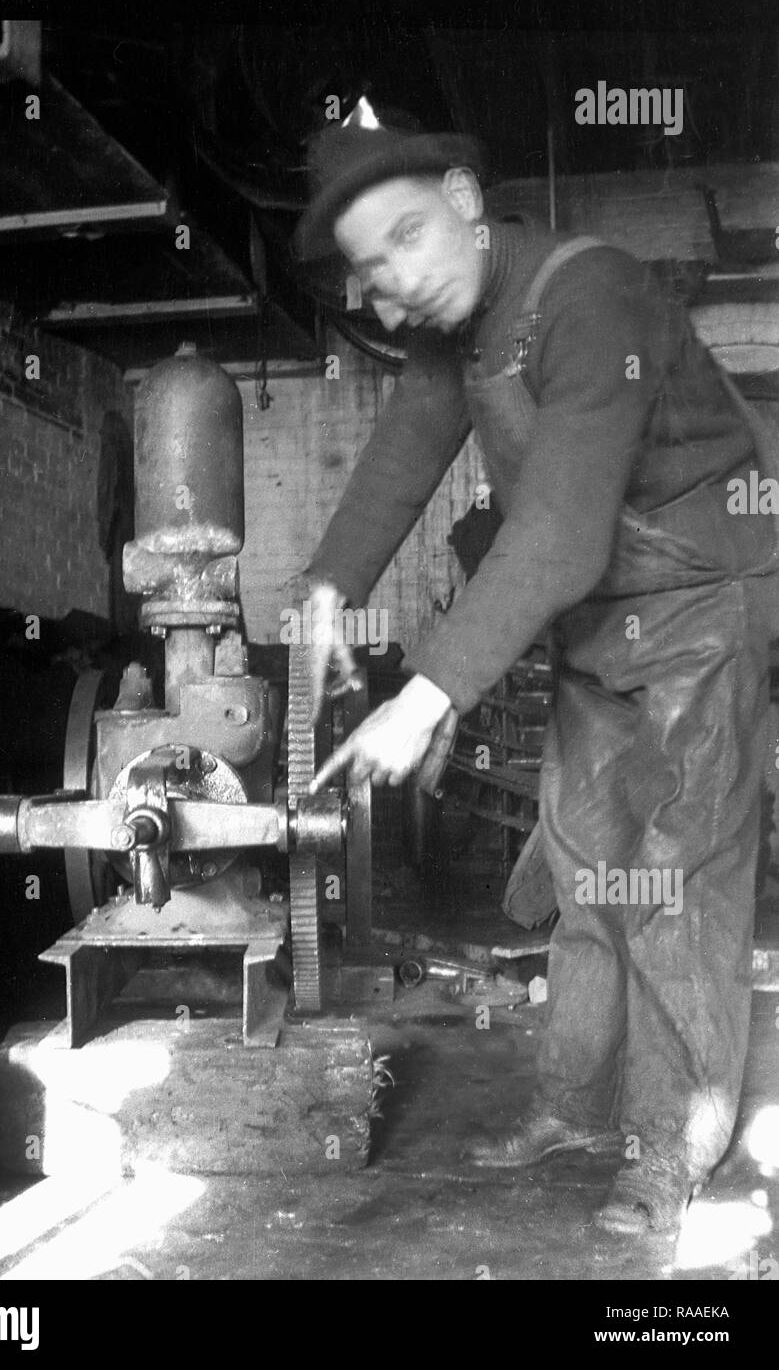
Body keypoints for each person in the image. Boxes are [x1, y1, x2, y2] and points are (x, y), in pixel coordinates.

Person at [292, 98, 779, 1236]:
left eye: (405, 237)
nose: (391, 283)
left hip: (701, 609)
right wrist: (324, 590)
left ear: (464, 204)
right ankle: (572, 1104)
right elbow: (404, 459)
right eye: (368, 267)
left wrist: (429, 694)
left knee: (671, 886)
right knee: (582, 871)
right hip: (598, 628)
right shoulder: (449, 337)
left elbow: (558, 530)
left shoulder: (590, 291)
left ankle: (673, 1144)